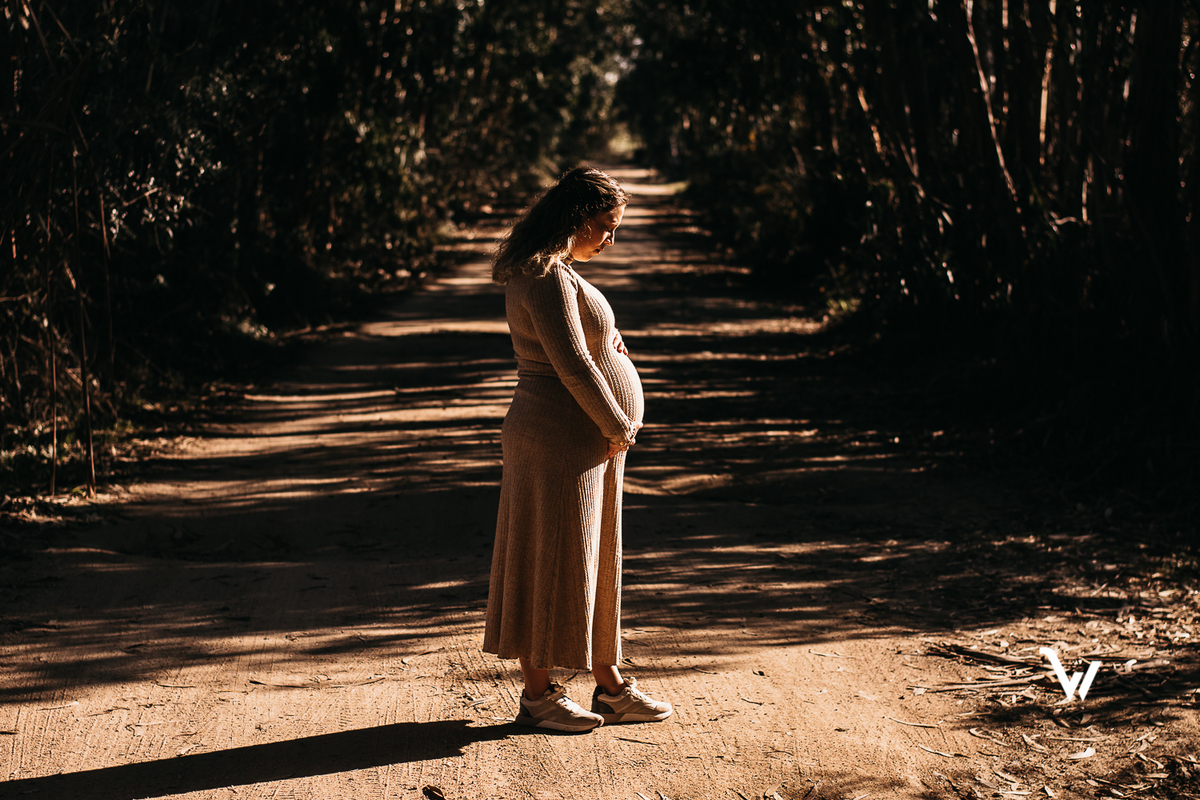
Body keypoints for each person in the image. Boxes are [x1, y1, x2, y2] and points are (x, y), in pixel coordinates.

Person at [483, 166, 673, 732]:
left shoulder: (559, 271)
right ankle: (539, 696)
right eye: (605, 226)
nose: (610, 239)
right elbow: (571, 365)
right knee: (552, 561)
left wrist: (611, 349)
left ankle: (610, 685)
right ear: (573, 220)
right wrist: (619, 423)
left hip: (583, 439)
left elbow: (584, 346)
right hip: (558, 438)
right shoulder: (542, 274)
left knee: (595, 561)